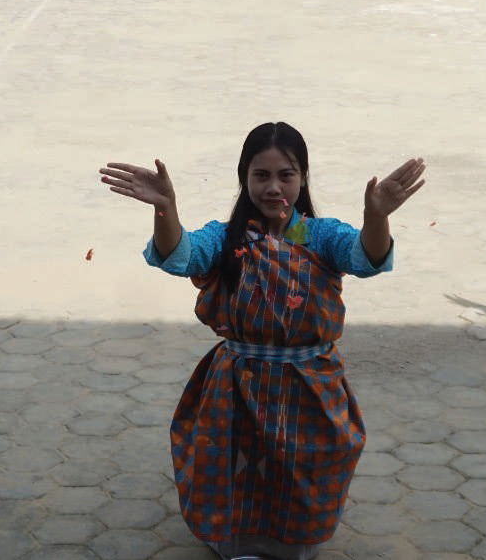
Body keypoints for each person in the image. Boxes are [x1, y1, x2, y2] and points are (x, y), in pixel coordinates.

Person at [100, 123, 426, 560]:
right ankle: (238, 544)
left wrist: (377, 216)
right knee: (235, 469)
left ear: (303, 178)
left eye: (286, 175)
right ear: (244, 178)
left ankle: (294, 545)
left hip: (309, 386)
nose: (274, 187)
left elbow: (363, 257)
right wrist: (165, 208)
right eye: (261, 176)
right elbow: (183, 255)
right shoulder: (226, 237)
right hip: (237, 383)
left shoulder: (320, 235)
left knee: (301, 469)